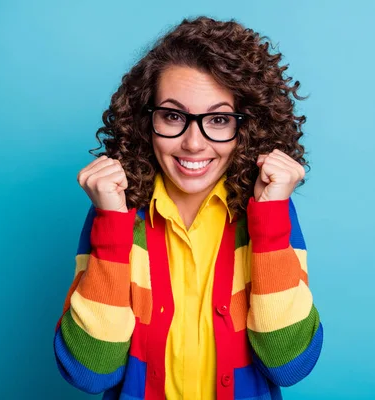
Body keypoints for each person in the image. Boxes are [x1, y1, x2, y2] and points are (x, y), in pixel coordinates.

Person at [53, 16, 323, 400]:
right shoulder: (114, 213)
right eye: (173, 116)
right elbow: (90, 371)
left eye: (218, 119)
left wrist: (272, 219)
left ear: (247, 126)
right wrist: (112, 225)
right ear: (145, 120)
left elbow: (288, 362)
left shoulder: (268, 213)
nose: (193, 144)